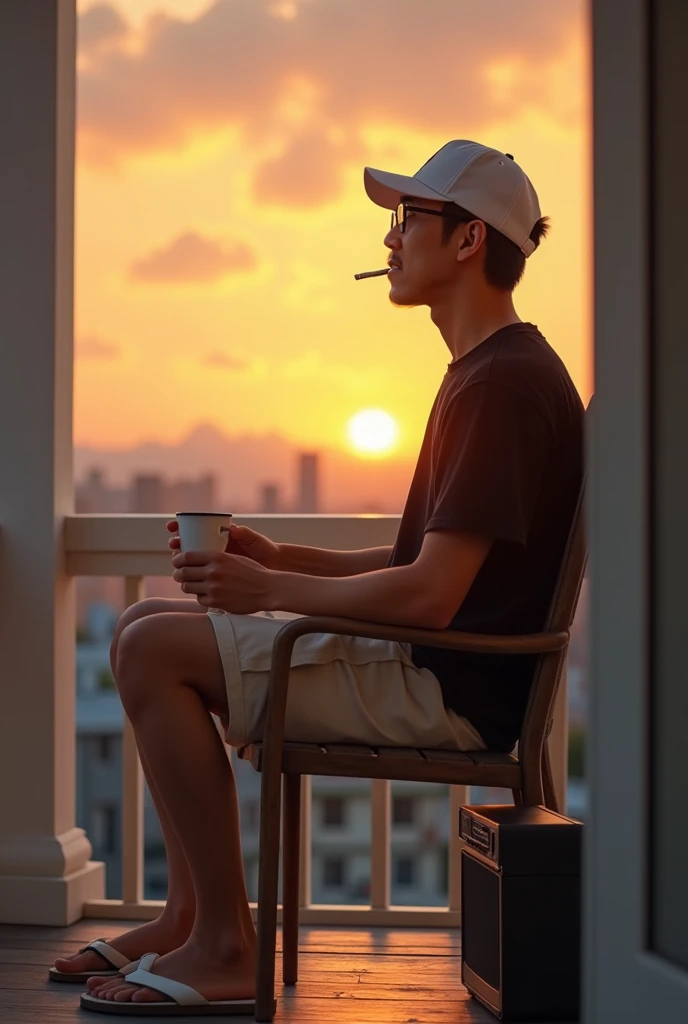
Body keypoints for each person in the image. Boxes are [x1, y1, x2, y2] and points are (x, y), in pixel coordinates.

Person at [56, 140, 584, 1014]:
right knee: (140, 628)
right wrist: (283, 560)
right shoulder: (489, 373)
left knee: (153, 652)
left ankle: (226, 947)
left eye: (408, 218)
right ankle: (187, 915)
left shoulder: (504, 387)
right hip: (427, 661)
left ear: (467, 241)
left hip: (442, 685)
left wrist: (270, 594)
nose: (389, 238)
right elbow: (423, 563)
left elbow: (429, 598)